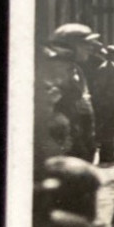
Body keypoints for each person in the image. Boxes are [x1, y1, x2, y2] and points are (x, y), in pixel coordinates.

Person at [44, 23, 99, 162]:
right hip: (60, 141)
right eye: (85, 44)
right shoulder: (53, 71)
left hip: (77, 136)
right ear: (69, 46)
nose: (90, 48)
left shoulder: (75, 69)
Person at [89, 42, 114, 167]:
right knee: (108, 131)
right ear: (112, 56)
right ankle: (106, 157)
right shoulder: (105, 68)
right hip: (108, 106)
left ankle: (109, 155)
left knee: (112, 130)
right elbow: (98, 89)